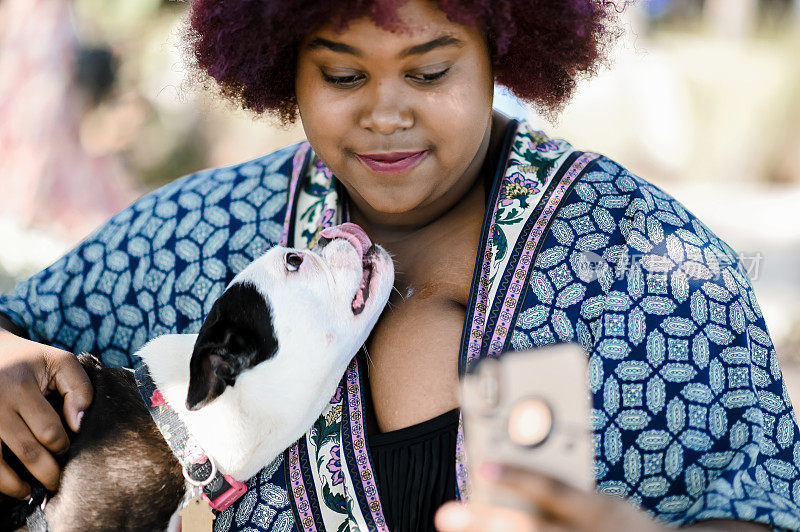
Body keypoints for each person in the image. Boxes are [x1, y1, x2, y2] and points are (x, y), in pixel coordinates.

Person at [0, 1, 798, 531]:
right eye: (343, 75)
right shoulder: (200, 230)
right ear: (287, 66)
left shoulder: (641, 259)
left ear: (502, 53)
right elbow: (22, 333)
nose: (386, 113)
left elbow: (767, 498)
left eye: (429, 71)